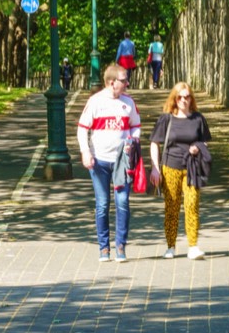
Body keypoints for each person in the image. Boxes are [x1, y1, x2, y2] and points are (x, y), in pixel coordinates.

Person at [76, 62, 142, 262]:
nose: (127, 83)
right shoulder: (95, 102)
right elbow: (82, 129)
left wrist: (132, 141)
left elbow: (135, 126)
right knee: (102, 204)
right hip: (99, 161)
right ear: (112, 83)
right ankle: (104, 248)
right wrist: (85, 152)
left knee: (122, 202)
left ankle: (121, 245)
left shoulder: (128, 103)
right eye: (123, 80)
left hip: (122, 161)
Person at [149, 82, 212, 260]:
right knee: (172, 207)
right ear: (174, 99)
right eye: (180, 97)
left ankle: (193, 246)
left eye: (187, 96)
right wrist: (155, 167)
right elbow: (154, 143)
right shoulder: (166, 119)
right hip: (170, 167)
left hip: (192, 167)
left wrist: (198, 147)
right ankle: (171, 246)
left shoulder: (198, 119)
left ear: (191, 98)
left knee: (192, 205)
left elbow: (205, 141)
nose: (184, 100)